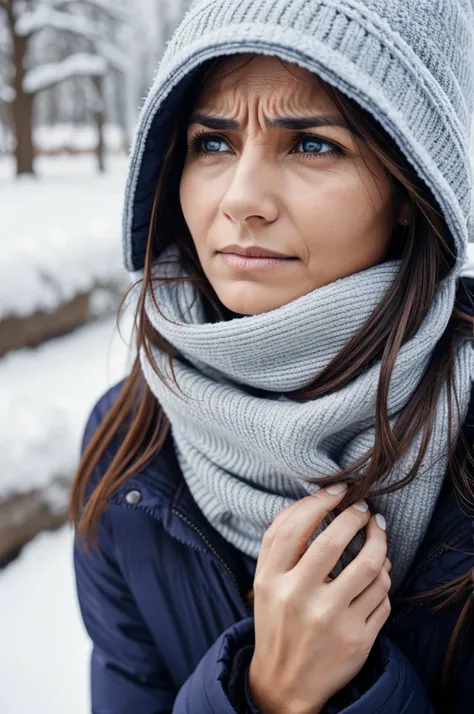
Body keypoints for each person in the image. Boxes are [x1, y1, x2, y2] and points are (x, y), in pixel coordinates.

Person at [69, 1, 474, 712]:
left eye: (312, 145)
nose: (242, 199)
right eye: (213, 144)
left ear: (414, 191)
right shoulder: (126, 451)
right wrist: (267, 693)